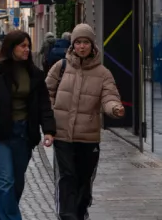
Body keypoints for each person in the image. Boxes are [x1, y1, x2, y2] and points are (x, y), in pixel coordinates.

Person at [0, 30, 57, 220]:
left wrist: (49, 130)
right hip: (0, 133)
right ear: (12, 48)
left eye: (28, 46)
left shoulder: (35, 74)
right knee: (5, 182)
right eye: (23, 46)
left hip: (24, 134)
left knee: (17, 182)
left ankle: (6, 217)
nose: (27, 50)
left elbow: (44, 104)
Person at [45, 24, 125, 220]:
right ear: (72, 45)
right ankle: (67, 215)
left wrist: (114, 107)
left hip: (88, 137)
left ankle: (80, 212)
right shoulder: (61, 67)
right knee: (67, 176)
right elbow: (46, 93)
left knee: (84, 179)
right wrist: (50, 116)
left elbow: (109, 96)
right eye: (78, 42)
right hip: (63, 134)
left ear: (92, 45)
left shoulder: (103, 73)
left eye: (85, 43)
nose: (82, 47)